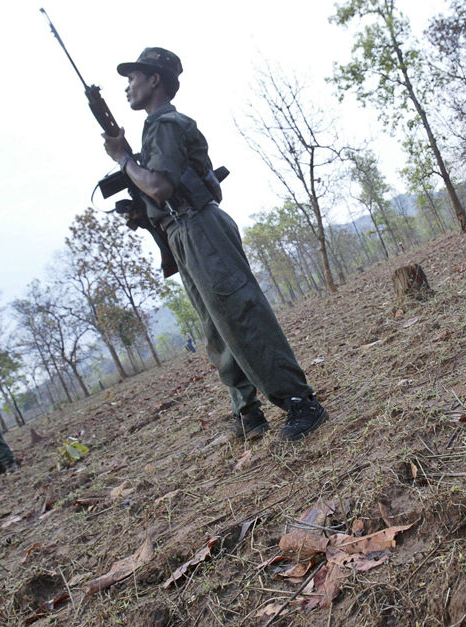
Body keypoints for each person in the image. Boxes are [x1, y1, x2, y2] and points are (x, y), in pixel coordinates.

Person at [102, 47, 327, 441]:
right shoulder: (154, 129)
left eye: (133, 78)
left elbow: (160, 185)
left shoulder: (167, 123)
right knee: (216, 327)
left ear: (155, 80)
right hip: (183, 233)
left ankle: (300, 402)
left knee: (241, 314)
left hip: (199, 227)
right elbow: (155, 189)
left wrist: (123, 160)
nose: (127, 86)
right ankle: (247, 413)